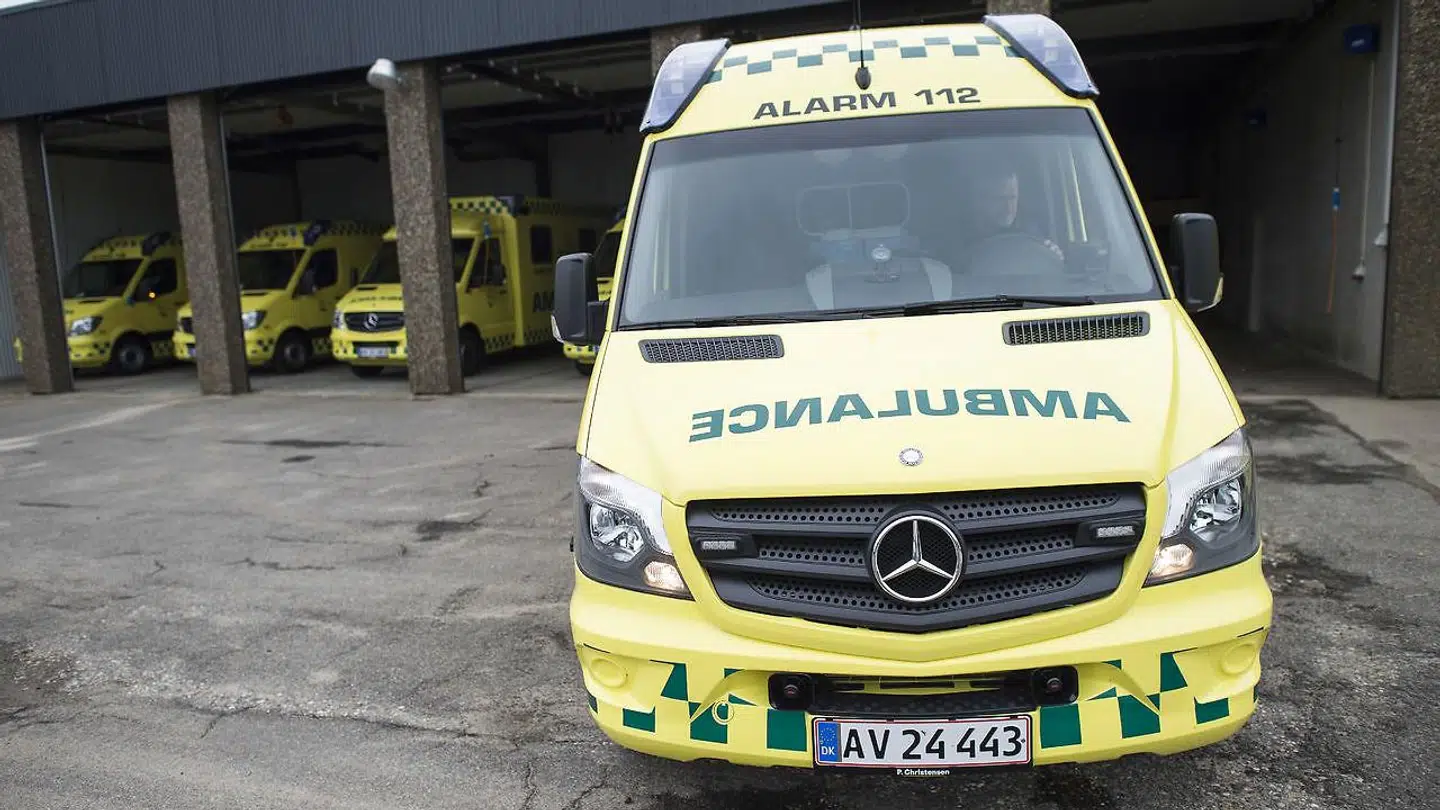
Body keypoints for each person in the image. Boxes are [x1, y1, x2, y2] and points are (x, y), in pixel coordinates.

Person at [969, 163, 1065, 262]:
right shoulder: (965, 237)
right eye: (1000, 199)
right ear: (983, 200)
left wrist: (1053, 255)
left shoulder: (1030, 232)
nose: (1008, 207)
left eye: (1012, 198)